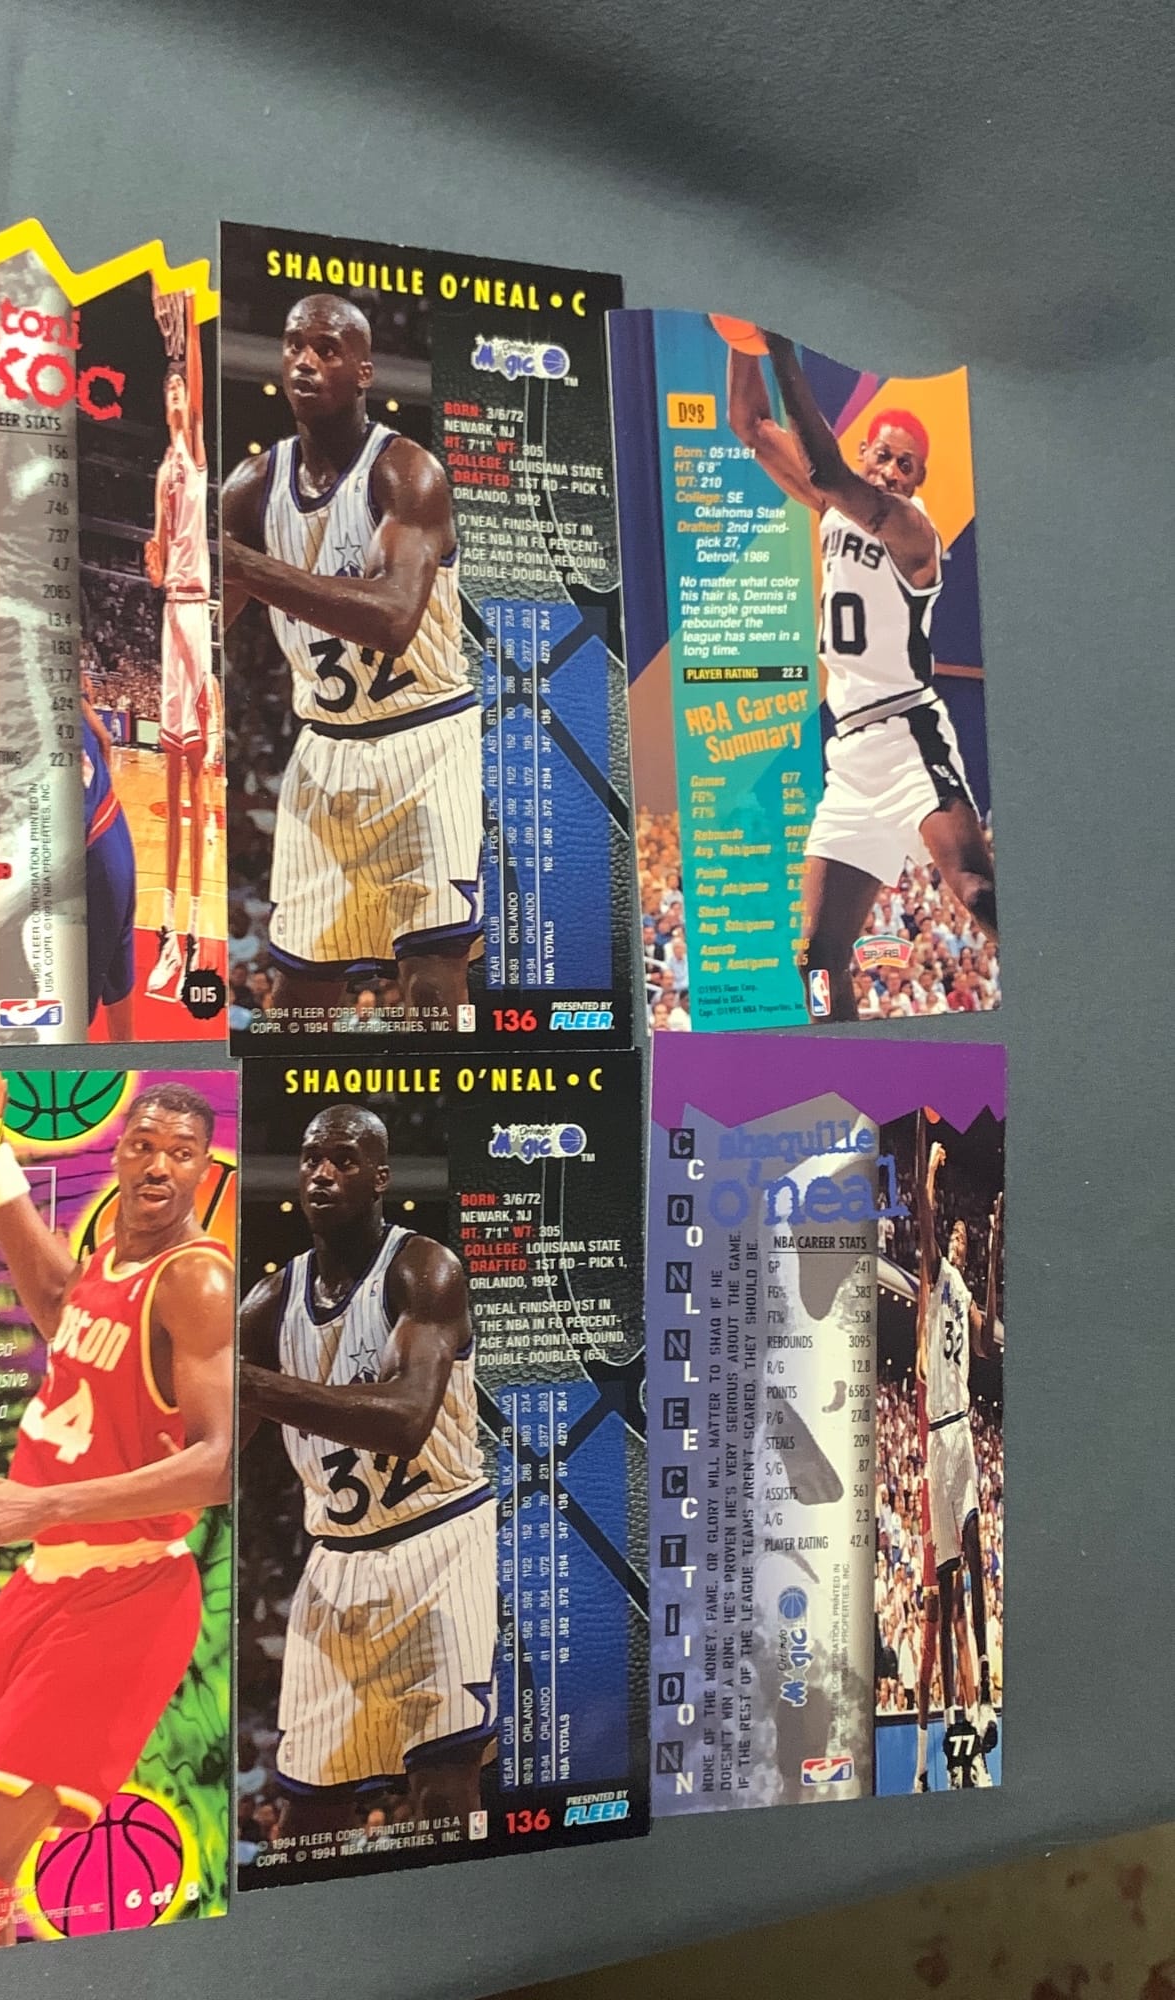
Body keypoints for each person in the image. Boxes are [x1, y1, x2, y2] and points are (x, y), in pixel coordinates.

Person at [0, 1083, 234, 1951]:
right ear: (121, 1153)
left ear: (202, 1172)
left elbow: (218, 1466)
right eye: (144, 1145)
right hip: (43, 1586)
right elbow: (61, 1304)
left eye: (181, 1152)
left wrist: (42, 1503)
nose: (159, 1165)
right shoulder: (111, 1258)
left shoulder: (195, 1278)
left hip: (126, 1596)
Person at [222, 294, 483, 1028]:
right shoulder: (250, 489)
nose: (305, 361)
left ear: (364, 370)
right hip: (324, 750)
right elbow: (207, 623)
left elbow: (393, 619)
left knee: (431, 981)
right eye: (294, 345)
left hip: (425, 738)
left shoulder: (407, 473)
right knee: (298, 997)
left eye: (327, 349)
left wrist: (243, 564)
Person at [724, 328, 998, 1022]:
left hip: (908, 734)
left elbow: (825, 471)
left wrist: (780, 347)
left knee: (977, 892)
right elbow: (750, 424)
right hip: (850, 757)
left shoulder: (913, 531)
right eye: (883, 455)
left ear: (916, 481)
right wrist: (739, 336)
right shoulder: (832, 509)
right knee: (817, 960)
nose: (891, 470)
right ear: (866, 453)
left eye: (906, 464)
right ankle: (842, 1061)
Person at [238, 1104, 496, 1837]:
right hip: (336, 1562)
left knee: (443, 1787)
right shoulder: (268, 1304)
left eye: (343, 1160)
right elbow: (218, 1455)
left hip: (440, 1540)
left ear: (381, 1177)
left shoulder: (424, 1270)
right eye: (311, 1159)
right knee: (306, 1816)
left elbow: (407, 1420)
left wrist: (249, 1383)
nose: (322, 1174)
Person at [914, 1112, 1002, 1788]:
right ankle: (954, 1716)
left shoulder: (968, 1292)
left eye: (965, 1236)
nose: (957, 1235)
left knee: (972, 1558)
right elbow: (923, 1217)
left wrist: (996, 1249)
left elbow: (989, 1342)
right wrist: (930, 1174)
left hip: (961, 1431)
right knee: (945, 1586)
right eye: (959, 1232)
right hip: (933, 1440)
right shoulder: (937, 1274)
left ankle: (985, 1695)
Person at [145, 291, 215, 1004]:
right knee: (170, 773)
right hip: (170, 612)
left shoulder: (193, 456)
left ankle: (195, 935)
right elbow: (159, 553)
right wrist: (153, 556)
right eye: (167, 391)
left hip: (196, 616)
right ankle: (167, 933)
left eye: (179, 391)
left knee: (197, 780)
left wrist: (187, 317)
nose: (174, 396)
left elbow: (192, 377)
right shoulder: (163, 474)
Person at [81, 693, 136, 1040]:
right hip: (113, 825)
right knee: (119, 980)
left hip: (90, 852)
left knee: (67, 1015)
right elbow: (103, 738)